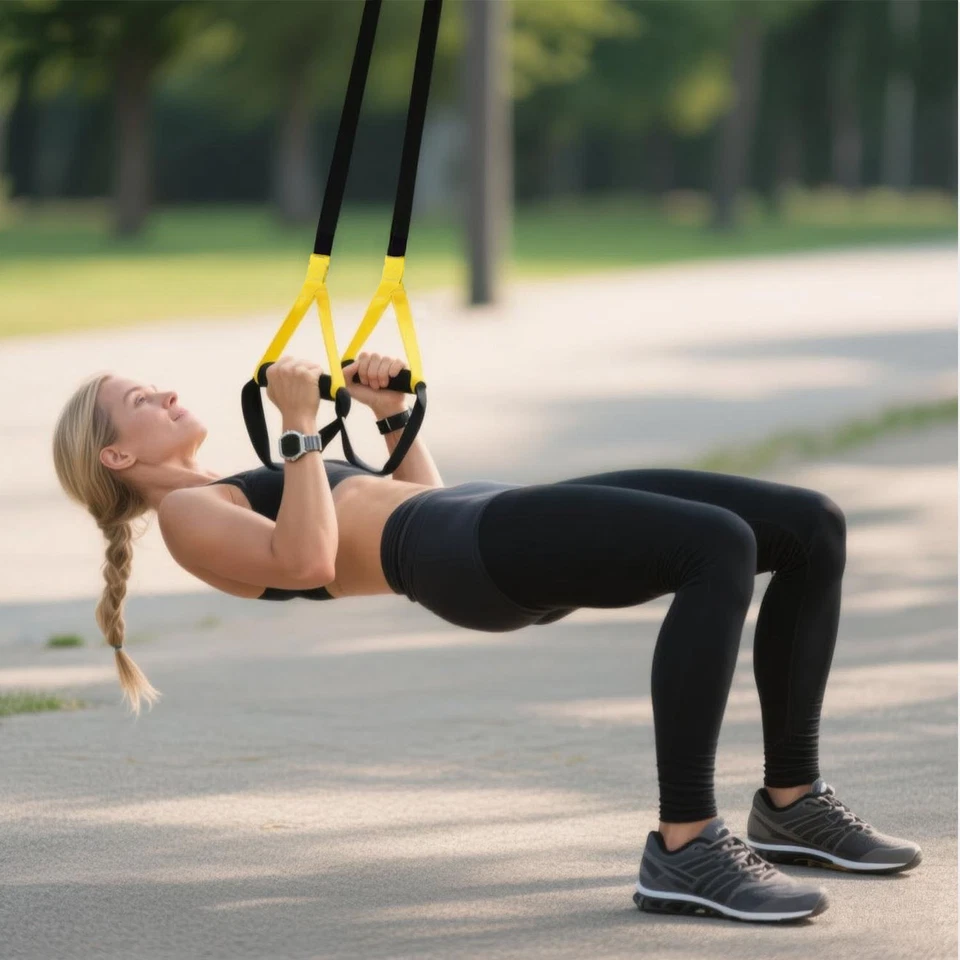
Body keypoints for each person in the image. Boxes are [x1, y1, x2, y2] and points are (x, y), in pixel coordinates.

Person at [52, 352, 922, 924]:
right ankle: (685, 845)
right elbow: (310, 557)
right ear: (118, 458)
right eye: (141, 402)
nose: (166, 393)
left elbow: (414, 496)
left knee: (810, 524)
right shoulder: (187, 516)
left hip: (478, 518)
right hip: (464, 559)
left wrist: (390, 417)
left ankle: (790, 804)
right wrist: (298, 429)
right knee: (718, 545)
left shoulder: (257, 475)